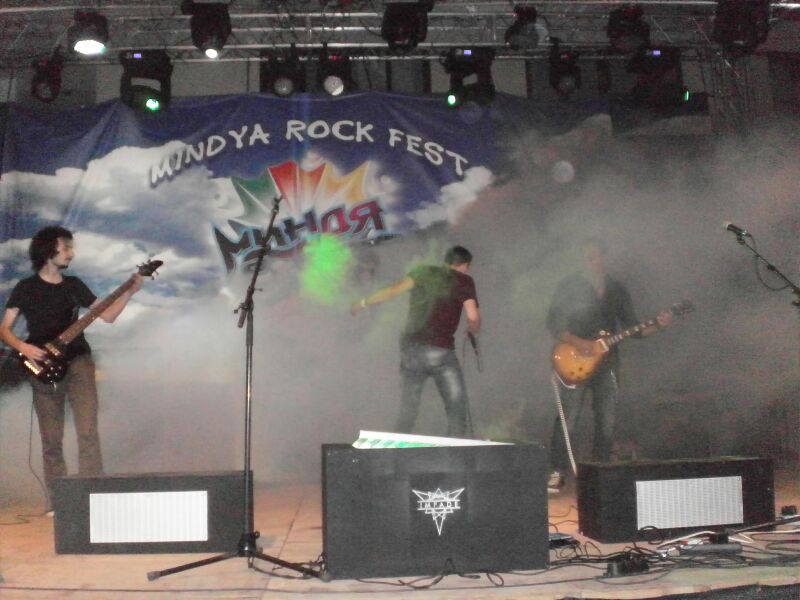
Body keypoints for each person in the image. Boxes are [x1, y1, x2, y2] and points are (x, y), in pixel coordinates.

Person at [0, 226, 142, 511]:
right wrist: (24, 347)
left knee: (88, 431)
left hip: (79, 362)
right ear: (48, 250)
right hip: (42, 365)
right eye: (66, 248)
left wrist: (129, 291)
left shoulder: (74, 285)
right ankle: (60, 504)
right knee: (51, 439)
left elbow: (108, 316)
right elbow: (4, 329)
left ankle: (93, 497)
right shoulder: (25, 288)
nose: (71, 253)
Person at [545, 238, 671, 490]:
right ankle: (557, 471)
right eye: (585, 256)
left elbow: (633, 327)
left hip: (607, 364)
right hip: (573, 359)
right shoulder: (569, 285)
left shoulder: (616, 289)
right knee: (568, 417)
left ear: (603, 257)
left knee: (607, 420)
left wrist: (658, 325)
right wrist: (577, 341)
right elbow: (553, 322)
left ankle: (600, 474)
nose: (589, 261)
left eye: (594, 256)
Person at [351, 246, 480, 437]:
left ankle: (396, 449)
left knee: (409, 408)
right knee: (456, 407)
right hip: (441, 351)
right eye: (467, 267)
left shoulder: (423, 272)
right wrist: (472, 328)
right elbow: (473, 316)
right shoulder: (464, 280)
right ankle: (457, 449)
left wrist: (363, 303)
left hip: (412, 351)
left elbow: (392, 291)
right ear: (464, 265)